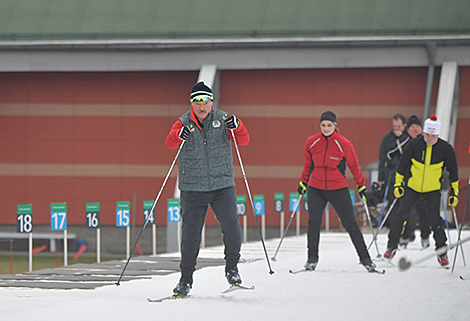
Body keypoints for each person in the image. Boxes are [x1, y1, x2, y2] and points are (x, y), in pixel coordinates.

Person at [165, 81, 250, 296]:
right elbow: (169, 143)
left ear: (212, 102)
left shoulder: (223, 119)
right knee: (191, 234)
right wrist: (178, 135)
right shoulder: (183, 122)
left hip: (222, 184)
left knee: (231, 225)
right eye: (197, 102)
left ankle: (232, 269)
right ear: (192, 104)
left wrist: (238, 125)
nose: (202, 107)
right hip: (193, 187)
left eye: (205, 102)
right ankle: (185, 279)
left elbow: (244, 140)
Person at [297, 110, 377, 272]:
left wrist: (361, 185)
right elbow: (308, 166)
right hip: (316, 187)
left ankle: (366, 259)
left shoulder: (344, 144)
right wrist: (303, 182)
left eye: (329, 125)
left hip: (338, 188)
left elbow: (354, 166)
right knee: (314, 222)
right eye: (323, 125)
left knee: (350, 224)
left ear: (335, 126)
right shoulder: (311, 142)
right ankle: (312, 259)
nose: (326, 128)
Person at [384, 115, 459, 267]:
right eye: (427, 134)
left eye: (433, 135)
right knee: (400, 215)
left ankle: (441, 252)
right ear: (423, 132)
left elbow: (454, 171)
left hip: (432, 190)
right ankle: (391, 247)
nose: (429, 138)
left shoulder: (445, 149)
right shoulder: (414, 144)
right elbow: (403, 166)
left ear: (437, 134)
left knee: (435, 220)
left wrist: (454, 193)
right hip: (413, 187)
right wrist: (398, 185)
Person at [398, 115, 431, 248]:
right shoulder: (403, 143)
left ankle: (425, 236)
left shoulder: (427, 143)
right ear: (408, 129)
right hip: (408, 183)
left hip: (424, 183)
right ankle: (405, 236)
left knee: (424, 212)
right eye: (412, 127)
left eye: (417, 127)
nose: (415, 129)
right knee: (406, 212)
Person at [378, 114, 410, 227]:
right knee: (392, 204)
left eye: (399, 126)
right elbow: (382, 158)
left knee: (405, 205)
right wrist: (381, 178)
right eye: (394, 126)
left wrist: (401, 138)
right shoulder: (387, 138)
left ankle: (406, 228)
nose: (396, 129)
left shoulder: (408, 138)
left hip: (406, 177)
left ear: (404, 126)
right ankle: (393, 226)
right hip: (391, 176)